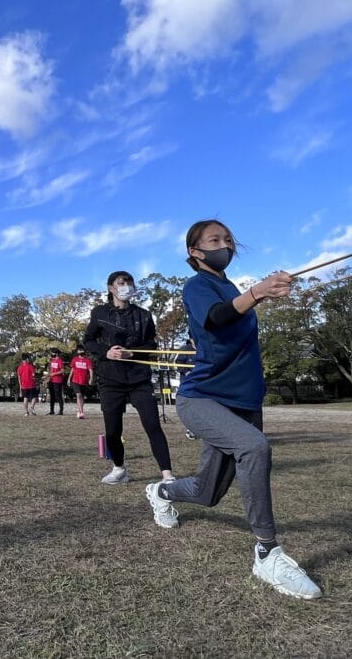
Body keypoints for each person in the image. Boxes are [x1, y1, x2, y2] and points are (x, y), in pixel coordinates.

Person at [143, 219, 322, 600]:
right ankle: (266, 552)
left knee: (207, 494)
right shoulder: (197, 286)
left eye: (227, 239)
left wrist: (261, 292)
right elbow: (220, 317)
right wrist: (258, 292)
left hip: (244, 401)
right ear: (195, 251)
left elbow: (235, 311)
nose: (224, 244)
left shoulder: (229, 288)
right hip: (203, 398)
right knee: (254, 447)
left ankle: (160, 491)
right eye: (214, 240)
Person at [82, 271, 173, 486]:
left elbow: (152, 345)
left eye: (129, 283)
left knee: (152, 424)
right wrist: (107, 352)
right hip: (110, 378)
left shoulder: (143, 315)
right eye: (121, 283)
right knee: (113, 430)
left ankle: (168, 476)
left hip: (138, 377)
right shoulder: (99, 313)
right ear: (111, 288)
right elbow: (88, 341)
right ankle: (119, 469)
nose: (126, 287)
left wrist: (132, 352)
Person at [69, 346, 93, 420]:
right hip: (75, 380)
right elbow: (72, 369)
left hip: (84, 381)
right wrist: (69, 379)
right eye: (79, 350)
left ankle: (79, 410)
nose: (80, 351)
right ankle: (81, 412)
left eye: (82, 350)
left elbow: (91, 370)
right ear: (77, 352)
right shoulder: (74, 359)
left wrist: (91, 379)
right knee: (78, 395)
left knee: (82, 397)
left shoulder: (87, 360)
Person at [45, 348, 67, 416]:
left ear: (56, 354)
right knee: (52, 396)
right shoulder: (51, 360)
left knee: (58, 396)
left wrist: (54, 374)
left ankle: (61, 411)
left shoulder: (60, 361)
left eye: (52, 353)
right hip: (51, 380)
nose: (51, 354)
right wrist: (48, 377)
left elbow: (62, 371)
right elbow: (51, 370)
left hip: (58, 381)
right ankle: (52, 411)